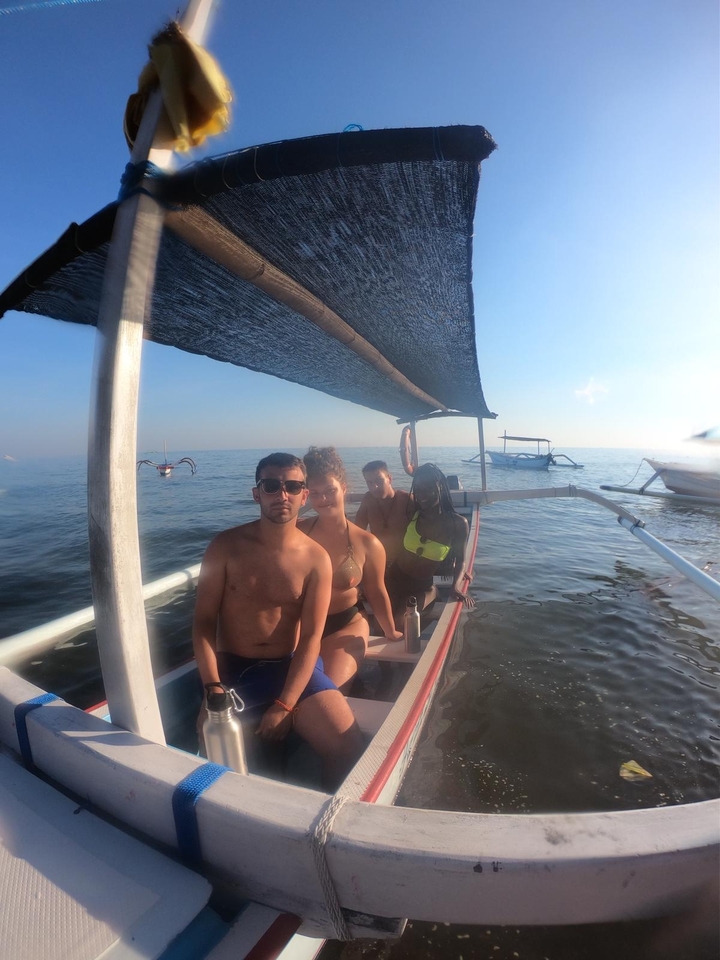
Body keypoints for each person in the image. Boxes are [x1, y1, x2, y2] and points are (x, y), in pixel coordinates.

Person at [192, 452, 363, 787]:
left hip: (291, 665)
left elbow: (312, 638)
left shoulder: (317, 560)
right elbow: (203, 623)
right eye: (271, 486)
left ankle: (318, 829)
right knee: (212, 751)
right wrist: (212, 685)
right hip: (232, 669)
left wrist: (286, 704)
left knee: (347, 746)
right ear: (257, 493)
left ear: (304, 495)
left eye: (292, 486)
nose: (282, 494)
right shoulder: (225, 547)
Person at [298, 447, 402, 691]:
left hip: (344, 625)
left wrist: (391, 631)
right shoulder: (298, 534)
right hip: (300, 628)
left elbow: (376, 591)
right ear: (306, 496)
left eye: (330, 491)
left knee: (326, 693)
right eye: (315, 494)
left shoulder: (368, 543)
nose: (323, 500)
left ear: (344, 488)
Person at [386, 462, 475, 624]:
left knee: (401, 621)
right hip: (393, 578)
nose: (422, 494)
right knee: (383, 622)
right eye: (418, 489)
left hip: (422, 585)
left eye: (428, 487)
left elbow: (461, 559)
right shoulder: (411, 513)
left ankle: (434, 593)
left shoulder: (457, 524)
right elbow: (383, 500)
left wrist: (455, 586)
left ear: (441, 486)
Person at [353, 460, 413, 567]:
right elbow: (357, 531)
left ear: (389, 479)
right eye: (369, 482)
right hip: (378, 562)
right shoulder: (368, 499)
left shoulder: (406, 500)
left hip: (406, 564)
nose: (374, 487)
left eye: (378, 480)